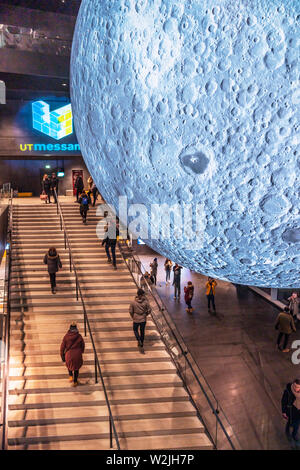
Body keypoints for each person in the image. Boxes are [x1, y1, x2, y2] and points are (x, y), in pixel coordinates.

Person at [60, 322, 85, 387]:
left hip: (69, 354)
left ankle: (71, 376)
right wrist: (81, 352)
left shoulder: (66, 336)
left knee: (69, 365)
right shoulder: (79, 336)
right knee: (76, 369)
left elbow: (62, 347)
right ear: (76, 329)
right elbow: (83, 345)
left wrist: (62, 356)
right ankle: (75, 381)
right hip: (77, 354)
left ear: (70, 329)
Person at [281, 378, 300, 442]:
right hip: (291, 411)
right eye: (294, 386)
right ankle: (287, 431)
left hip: (299, 412)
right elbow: (283, 401)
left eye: (298, 387)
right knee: (290, 422)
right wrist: (284, 411)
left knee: (296, 425)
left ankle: (294, 435)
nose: (296, 388)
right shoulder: (288, 391)